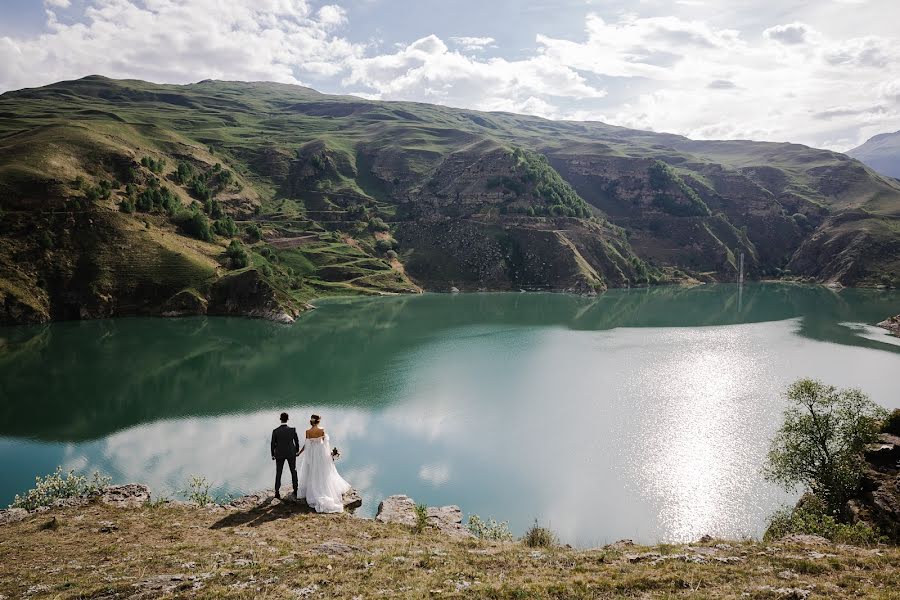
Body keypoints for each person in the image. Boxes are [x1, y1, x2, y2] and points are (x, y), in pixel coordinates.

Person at [297, 413, 351, 513]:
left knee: (313, 471)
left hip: (312, 454)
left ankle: (314, 489)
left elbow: (306, 444)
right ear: (318, 421)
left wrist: (299, 452)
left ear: (311, 421)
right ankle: (325, 488)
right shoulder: (321, 430)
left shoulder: (308, 431)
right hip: (321, 454)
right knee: (324, 471)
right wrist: (330, 454)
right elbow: (325, 444)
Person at [270, 412, 300, 499]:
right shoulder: (292, 430)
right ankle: (295, 489)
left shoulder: (275, 431)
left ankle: (277, 492)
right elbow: (297, 442)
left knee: (279, 472)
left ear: (280, 419)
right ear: (288, 419)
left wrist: (272, 454)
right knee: (293, 471)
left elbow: (272, 444)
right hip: (291, 453)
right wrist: (297, 451)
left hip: (279, 454)